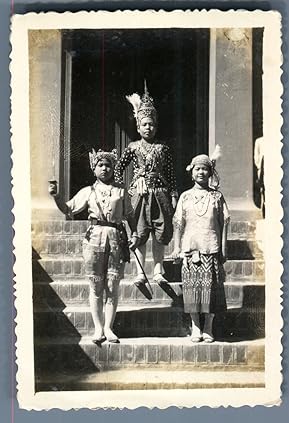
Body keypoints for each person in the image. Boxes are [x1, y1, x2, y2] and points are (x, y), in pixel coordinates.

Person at [48, 148, 139, 344]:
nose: (104, 168)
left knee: (112, 286)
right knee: (96, 285)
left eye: (108, 165)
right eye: (100, 165)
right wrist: (56, 197)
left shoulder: (121, 190)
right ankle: (98, 328)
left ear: (114, 168)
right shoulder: (87, 191)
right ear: (94, 168)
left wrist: (135, 234)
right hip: (94, 239)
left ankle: (109, 327)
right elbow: (68, 209)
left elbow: (130, 215)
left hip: (116, 238)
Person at [114, 82, 178, 286]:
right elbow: (118, 168)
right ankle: (140, 272)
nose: (148, 128)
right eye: (144, 124)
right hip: (138, 195)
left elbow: (170, 173)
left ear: (156, 126)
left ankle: (158, 270)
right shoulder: (132, 147)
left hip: (160, 194)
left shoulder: (163, 148)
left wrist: (174, 195)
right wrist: (123, 189)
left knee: (160, 232)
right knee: (139, 232)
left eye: (151, 124)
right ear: (138, 126)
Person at [171, 148, 230, 343]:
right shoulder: (185, 197)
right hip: (190, 249)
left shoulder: (217, 197)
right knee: (191, 290)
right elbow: (178, 222)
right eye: (197, 169)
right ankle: (196, 327)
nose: (201, 172)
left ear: (210, 172)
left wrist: (222, 249)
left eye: (205, 169)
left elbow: (224, 222)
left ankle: (208, 327)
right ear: (192, 171)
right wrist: (177, 247)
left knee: (210, 290)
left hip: (210, 248)